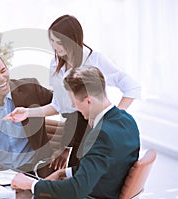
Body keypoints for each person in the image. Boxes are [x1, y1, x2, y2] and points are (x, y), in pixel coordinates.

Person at [3, 14, 141, 168]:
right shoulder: (55, 64)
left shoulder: (95, 59)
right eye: (52, 41)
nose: (55, 46)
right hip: (72, 128)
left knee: (82, 174)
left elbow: (132, 87)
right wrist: (27, 112)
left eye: (59, 42)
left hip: (91, 126)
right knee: (69, 174)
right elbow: (58, 106)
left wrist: (110, 119)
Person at [11, 66, 140, 199]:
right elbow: (106, 166)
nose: (74, 107)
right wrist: (65, 172)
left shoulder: (100, 135)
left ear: (88, 100)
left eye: (74, 102)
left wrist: (31, 184)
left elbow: (77, 190)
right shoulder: (127, 121)